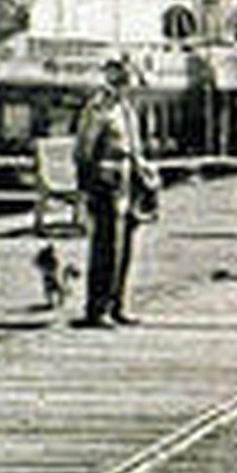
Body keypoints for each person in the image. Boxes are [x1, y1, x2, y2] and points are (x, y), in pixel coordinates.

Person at [74, 56, 147, 327]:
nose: (128, 86)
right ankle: (97, 307)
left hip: (127, 177)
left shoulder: (126, 109)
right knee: (106, 246)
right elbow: (84, 150)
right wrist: (86, 187)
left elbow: (135, 147)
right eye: (123, 80)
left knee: (124, 246)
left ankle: (118, 303)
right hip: (106, 177)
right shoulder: (98, 109)